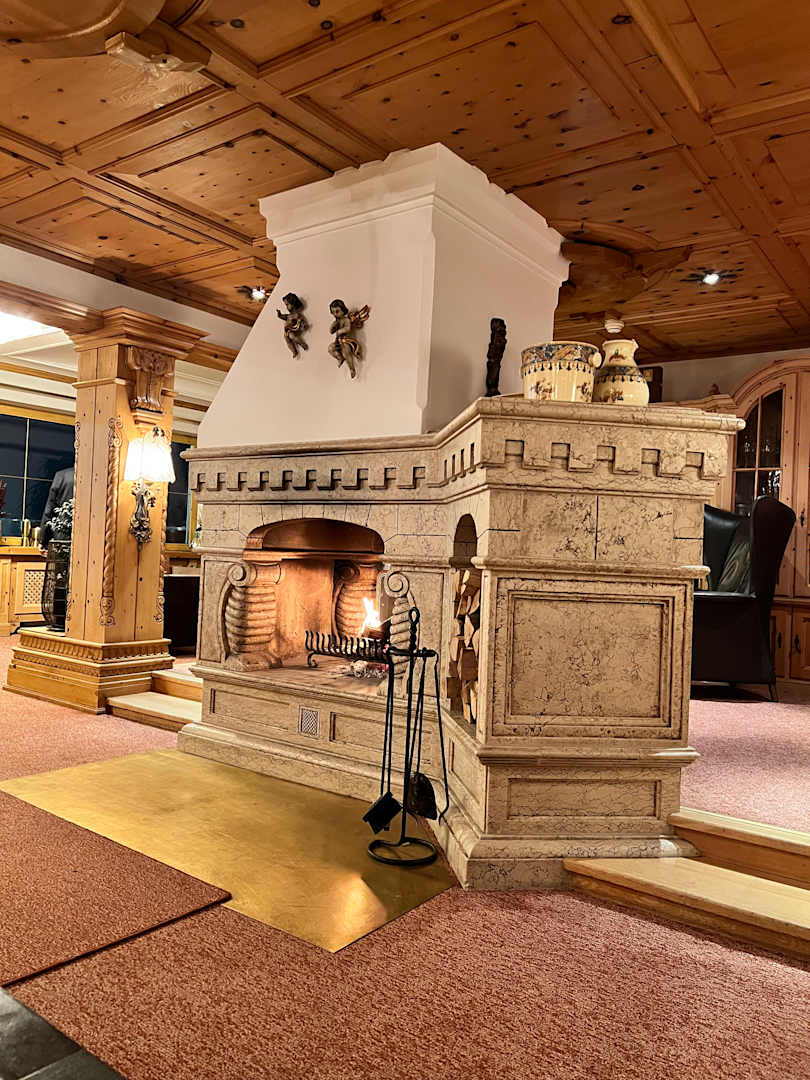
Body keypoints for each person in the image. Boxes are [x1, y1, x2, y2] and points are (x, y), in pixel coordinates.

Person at [39, 465, 74, 553]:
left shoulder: (61, 476)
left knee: (61, 561)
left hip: (62, 536)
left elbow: (49, 510)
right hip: (88, 537)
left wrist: (43, 540)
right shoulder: (95, 477)